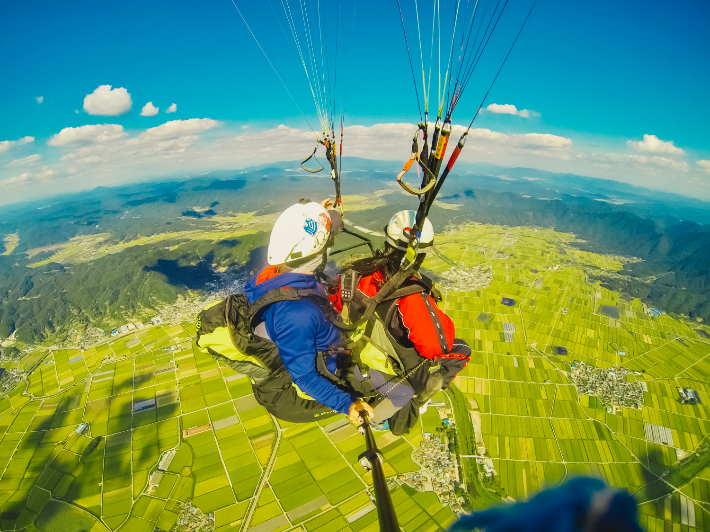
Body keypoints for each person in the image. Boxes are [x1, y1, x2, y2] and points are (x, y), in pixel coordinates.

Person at [332, 210, 471, 434]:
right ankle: (406, 406)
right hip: (381, 367)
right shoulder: (411, 296)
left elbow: (338, 304)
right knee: (462, 350)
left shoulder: (358, 271)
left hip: (353, 354)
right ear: (422, 254)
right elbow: (435, 347)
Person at [243, 199, 374, 425]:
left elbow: (312, 238)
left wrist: (322, 215)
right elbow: (305, 376)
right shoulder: (296, 314)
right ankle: (383, 419)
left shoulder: (273, 272)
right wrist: (348, 404)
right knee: (396, 390)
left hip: (321, 340)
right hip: (328, 370)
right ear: (318, 253)